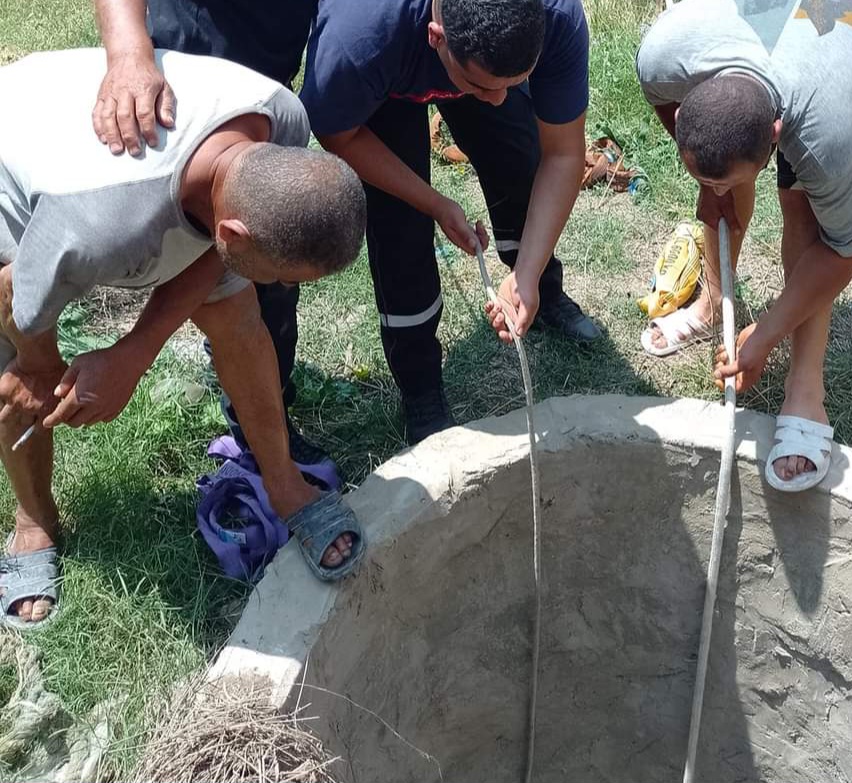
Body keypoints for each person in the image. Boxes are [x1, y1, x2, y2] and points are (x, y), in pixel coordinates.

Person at [0, 48, 368, 628]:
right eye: (275, 272)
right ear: (234, 231)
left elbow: (212, 248)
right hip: (18, 170)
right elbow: (12, 295)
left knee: (239, 319)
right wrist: (39, 368)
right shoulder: (100, 227)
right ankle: (34, 516)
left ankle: (284, 483)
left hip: (112, 160)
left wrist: (134, 352)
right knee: (15, 378)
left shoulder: (281, 120)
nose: (273, 284)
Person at [301, 0, 600, 444]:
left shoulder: (554, 15)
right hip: (390, 72)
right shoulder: (363, 37)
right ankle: (421, 384)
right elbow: (337, 133)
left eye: (514, 81)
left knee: (519, 153)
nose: (497, 98)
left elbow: (563, 154)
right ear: (437, 36)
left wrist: (528, 273)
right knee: (400, 225)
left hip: (465, 52)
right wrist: (434, 203)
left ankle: (542, 292)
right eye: (481, 85)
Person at [635, 0, 852, 492]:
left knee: (802, 204)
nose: (711, 198)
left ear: (777, 133)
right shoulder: (664, 55)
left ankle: (805, 391)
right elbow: (686, 122)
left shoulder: (831, 130)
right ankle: (714, 305)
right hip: (766, 27)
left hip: (841, 19)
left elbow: (846, 248)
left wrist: (765, 338)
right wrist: (710, 184)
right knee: (723, 171)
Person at [93, 0, 329, 463]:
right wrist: (127, 52)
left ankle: (268, 417)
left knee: (269, 278)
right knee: (218, 280)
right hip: (180, 90)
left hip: (266, 85)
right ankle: (257, 434)